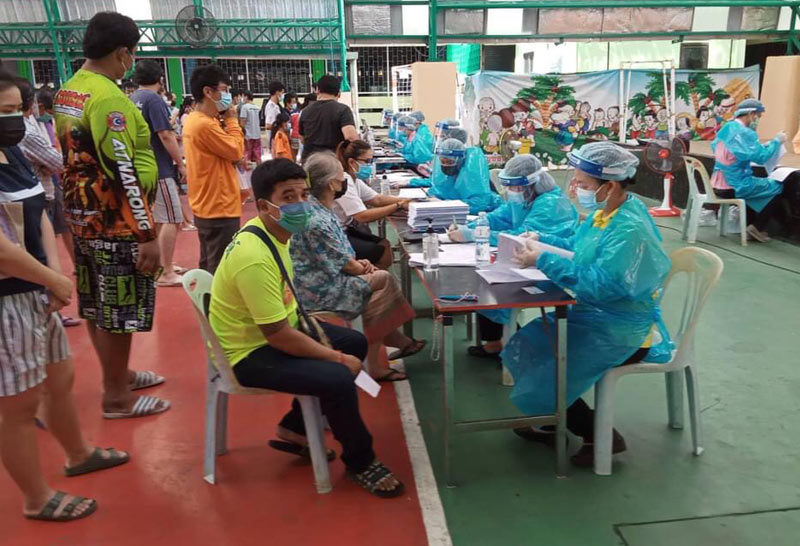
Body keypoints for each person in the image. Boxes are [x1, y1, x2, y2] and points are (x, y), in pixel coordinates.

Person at [209, 157, 405, 497]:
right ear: (264, 206)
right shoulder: (254, 258)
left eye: (302, 195)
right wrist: (335, 358)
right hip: (247, 353)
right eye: (288, 197)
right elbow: (278, 336)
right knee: (338, 376)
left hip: (275, 332)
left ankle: (294, 428)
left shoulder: (276, 234)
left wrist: (322, 337)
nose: (300, 204)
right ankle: (361, 461)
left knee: (355, 343)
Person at [0, 72, 132, 522]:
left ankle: (78, 454)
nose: (13, 120)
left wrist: (55, 273)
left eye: (16, 110)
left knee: (59, 379)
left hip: (35, 290)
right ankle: (36, 498)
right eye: (3, 111)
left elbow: (37, 212)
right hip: (7, 299)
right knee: (17, 405)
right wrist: (51, 280)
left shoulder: (13, 153)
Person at [504, 142, 672, 467]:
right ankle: (554, 416)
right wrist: (543, 241)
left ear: (610, 186)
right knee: (530, 345)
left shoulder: (628, 229)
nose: (574, 188)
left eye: (581, 183)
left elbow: (604, 285)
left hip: (621, 331)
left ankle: (599, 435)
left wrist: (543, 261)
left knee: (550, 365)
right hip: (597, 316)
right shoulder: (606, 213)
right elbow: (579, 247)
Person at [54, 12, 169, 419]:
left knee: (96, 303)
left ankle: (118, 376)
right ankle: (117, 397)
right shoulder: (108, 99)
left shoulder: (70, 90)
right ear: (122, 52)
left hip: (83, 215)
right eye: (132, 53)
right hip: (115, 221)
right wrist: (146, 234)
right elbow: (123, 172)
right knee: (119, 310)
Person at [291, 152, 425, 380]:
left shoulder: (317, 208)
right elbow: (345, 264)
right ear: (332, 183)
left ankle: (395, 340)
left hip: (320, 277)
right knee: (381, 281)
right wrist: (362, 267)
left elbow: (339, 254)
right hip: (318, 290)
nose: (344, 180)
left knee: (378, 279)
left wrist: (360, 263)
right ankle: (379, 359)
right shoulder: (317, 219)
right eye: (340, 176)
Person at [447, 154, 580, 359]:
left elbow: (522, 238)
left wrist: (473, 234)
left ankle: (513, 346)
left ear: (532, 183)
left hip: (546, 264)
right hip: (524, 259)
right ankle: (495, 342)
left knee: (496, 284)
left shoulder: (551, 204)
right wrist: (470, 226)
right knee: (484, 275)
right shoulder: (525, 197)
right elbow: (499, 217)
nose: (511, 192)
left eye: (515, 187)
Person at [182, 63, 244, 273]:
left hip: (207, 203)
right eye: (224, 90)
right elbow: (236, 151)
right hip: (219, 206)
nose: (228, 96)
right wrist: (232, 121)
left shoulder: (198, 120)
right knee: (221, 270)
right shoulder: (205, 125)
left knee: (209, 266)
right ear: (208, 92)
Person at [130, 60, 187, 288]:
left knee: (157, 219)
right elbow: (165, 134)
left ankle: (161, 263)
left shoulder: (133, 99)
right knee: (172, 218)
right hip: (159, 168)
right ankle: (166, 271)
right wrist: (180, 164)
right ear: (159, 79)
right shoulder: (153, 99)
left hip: (141, 167)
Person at [710, 98, 789, 242]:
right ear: (751, 114)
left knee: (756, 186)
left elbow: (725, 149)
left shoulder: (727, 127)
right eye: (758, 116)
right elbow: (761, 157)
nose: (757, 120)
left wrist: (763, 147)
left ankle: (749, 226)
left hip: (717, 183)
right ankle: (757, 227)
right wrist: (777, 141)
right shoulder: (746, 133)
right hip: (734, 185)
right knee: (776, 187)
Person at [336, 139, 408, 269]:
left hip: (348, 229)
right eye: (367, 161)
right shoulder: (345, 180)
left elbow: (377, 199)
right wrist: (398, 205)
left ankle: (375, 276)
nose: (370, 165)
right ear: (352, 162)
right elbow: (362, 216)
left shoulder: (355, 179)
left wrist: (409, 200)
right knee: (382, 251)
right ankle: (369, 276)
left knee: (385, 244)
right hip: (339, 233)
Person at [34, 87, 75, 269]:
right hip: (44, 184)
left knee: (65, 225)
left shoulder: (52, 122)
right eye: (50, 110)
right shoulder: (30, 126)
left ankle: (77, 265)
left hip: (56, 179)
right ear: (40, 106)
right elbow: (53, 159)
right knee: (46, 232)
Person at [428, 137, 502, 214]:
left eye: (450, 162)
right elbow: (437, 189)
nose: (445, 165)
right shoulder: (450, 177)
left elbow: (477, 205)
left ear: (460, 160)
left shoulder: (473, 177)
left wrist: (445, 204)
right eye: (442, 161)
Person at [299, 75, 357, 162]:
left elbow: (302, 139)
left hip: (309, 161)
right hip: (332, 162)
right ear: (339, 93)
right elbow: (351, 138)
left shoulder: (305, 111)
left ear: (317, 90)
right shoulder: (343, 110)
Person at [237, 90, 262, 165]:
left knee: (247, 154)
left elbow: (243, 121)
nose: (242, 98)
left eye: (243, 96)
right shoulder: (257, 107)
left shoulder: (244, 107)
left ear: (246, 97)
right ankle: (260, 169)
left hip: (248, 135)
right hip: (257, 134)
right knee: (257, 155)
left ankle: (247, 171)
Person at [261, 80, 285, 147]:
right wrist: (281, 127)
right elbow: (268, 125)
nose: (282, 95)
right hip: (274, 140)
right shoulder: (271, 107)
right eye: (282, 92)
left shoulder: (276, 106)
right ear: (277, 92)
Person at [284, 92, 300, 160]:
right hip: (289, 136)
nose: (294, 104)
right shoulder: (284, 113)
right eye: (293, 102)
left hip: (296, 136)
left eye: (295, 102)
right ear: (287, 103)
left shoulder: (297, 111)